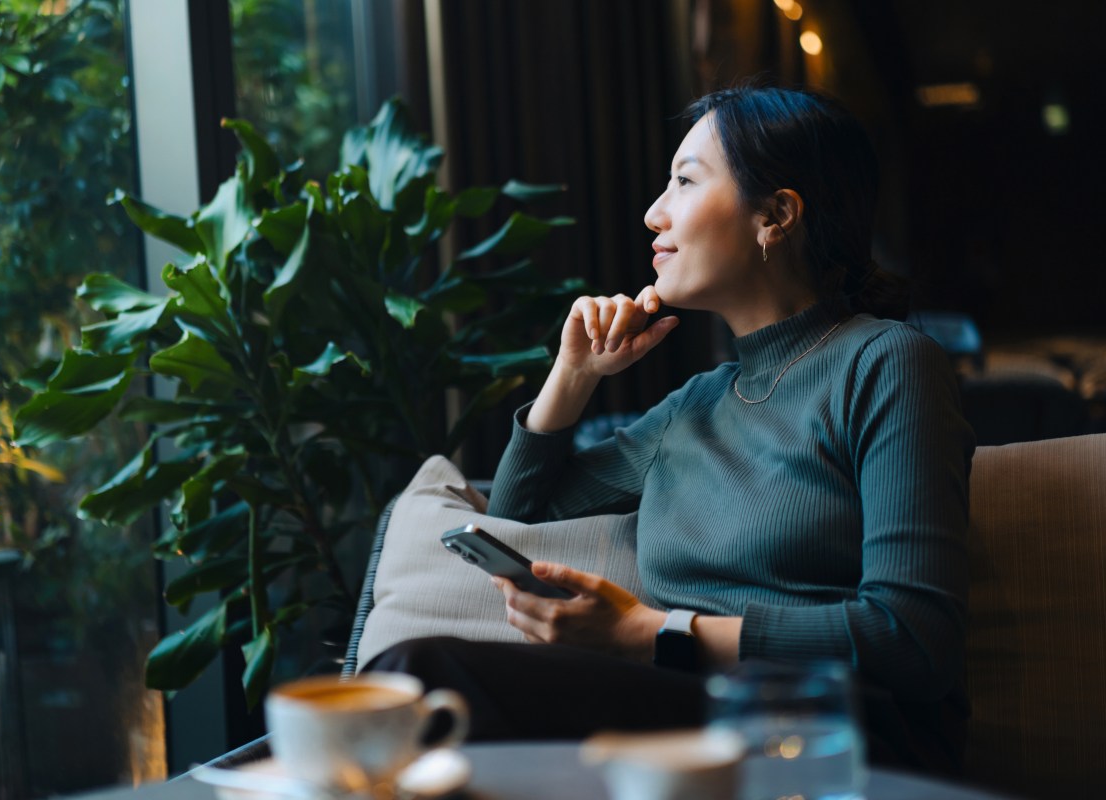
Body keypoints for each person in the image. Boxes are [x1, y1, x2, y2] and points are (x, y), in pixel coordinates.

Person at [365, 83, 975, 777]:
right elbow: (516, 517)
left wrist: (648, 634)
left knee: (426, 676)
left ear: (776, 215)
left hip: (834, 730)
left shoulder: (888, 364)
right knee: (407, 701)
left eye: (684, 182)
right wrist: (573, 374)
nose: (654, 213)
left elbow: (916, 642)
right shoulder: (695, 407)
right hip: (686, 716)